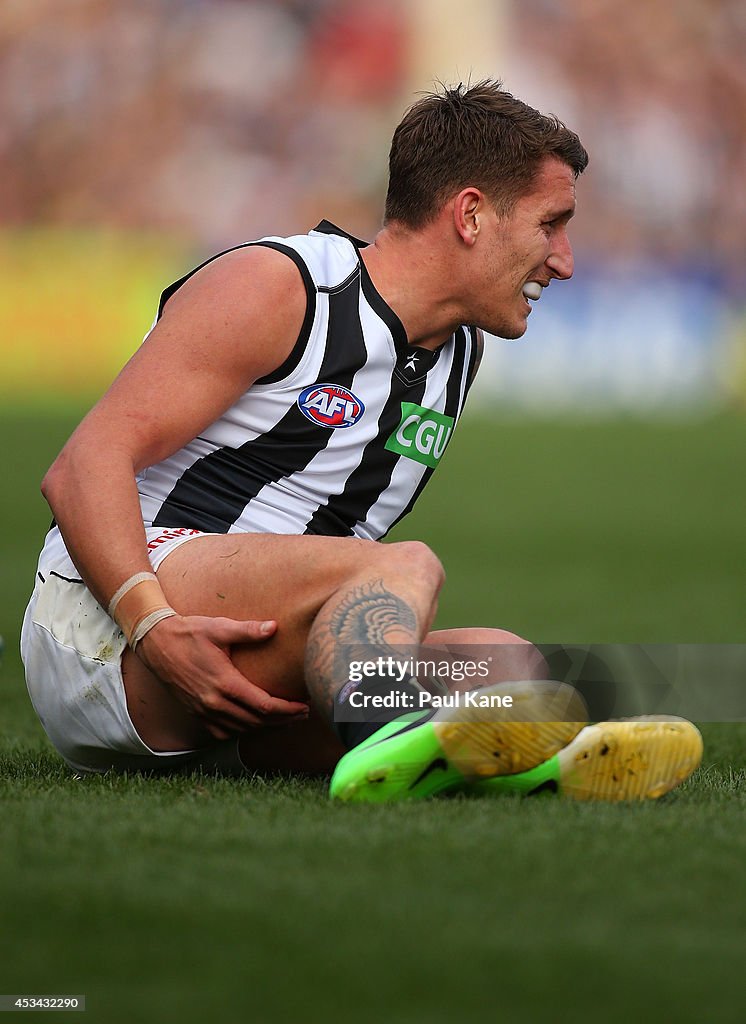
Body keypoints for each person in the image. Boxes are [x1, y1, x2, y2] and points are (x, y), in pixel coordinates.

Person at [20, 81, 702, 801]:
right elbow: (81, 465)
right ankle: (397, 738)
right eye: (550, 224)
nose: (563, 260)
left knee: (508, 667)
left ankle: (510, 766)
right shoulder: (283, 286)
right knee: (395, 568)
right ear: (470, 214)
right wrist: (153, 625)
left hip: (250, 684)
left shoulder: (457, 353)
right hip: (114, 632)